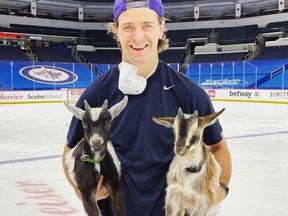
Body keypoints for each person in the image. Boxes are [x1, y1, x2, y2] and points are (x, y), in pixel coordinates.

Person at [62, 0, 232, 215]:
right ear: (116, 31)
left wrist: (220, 190)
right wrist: (81, 191)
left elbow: (218, 147)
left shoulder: (189, 94)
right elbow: (69, 150)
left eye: (147, 25)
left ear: (162, 28)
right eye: (128, 27)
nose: (138, 36)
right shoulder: (97, 95)